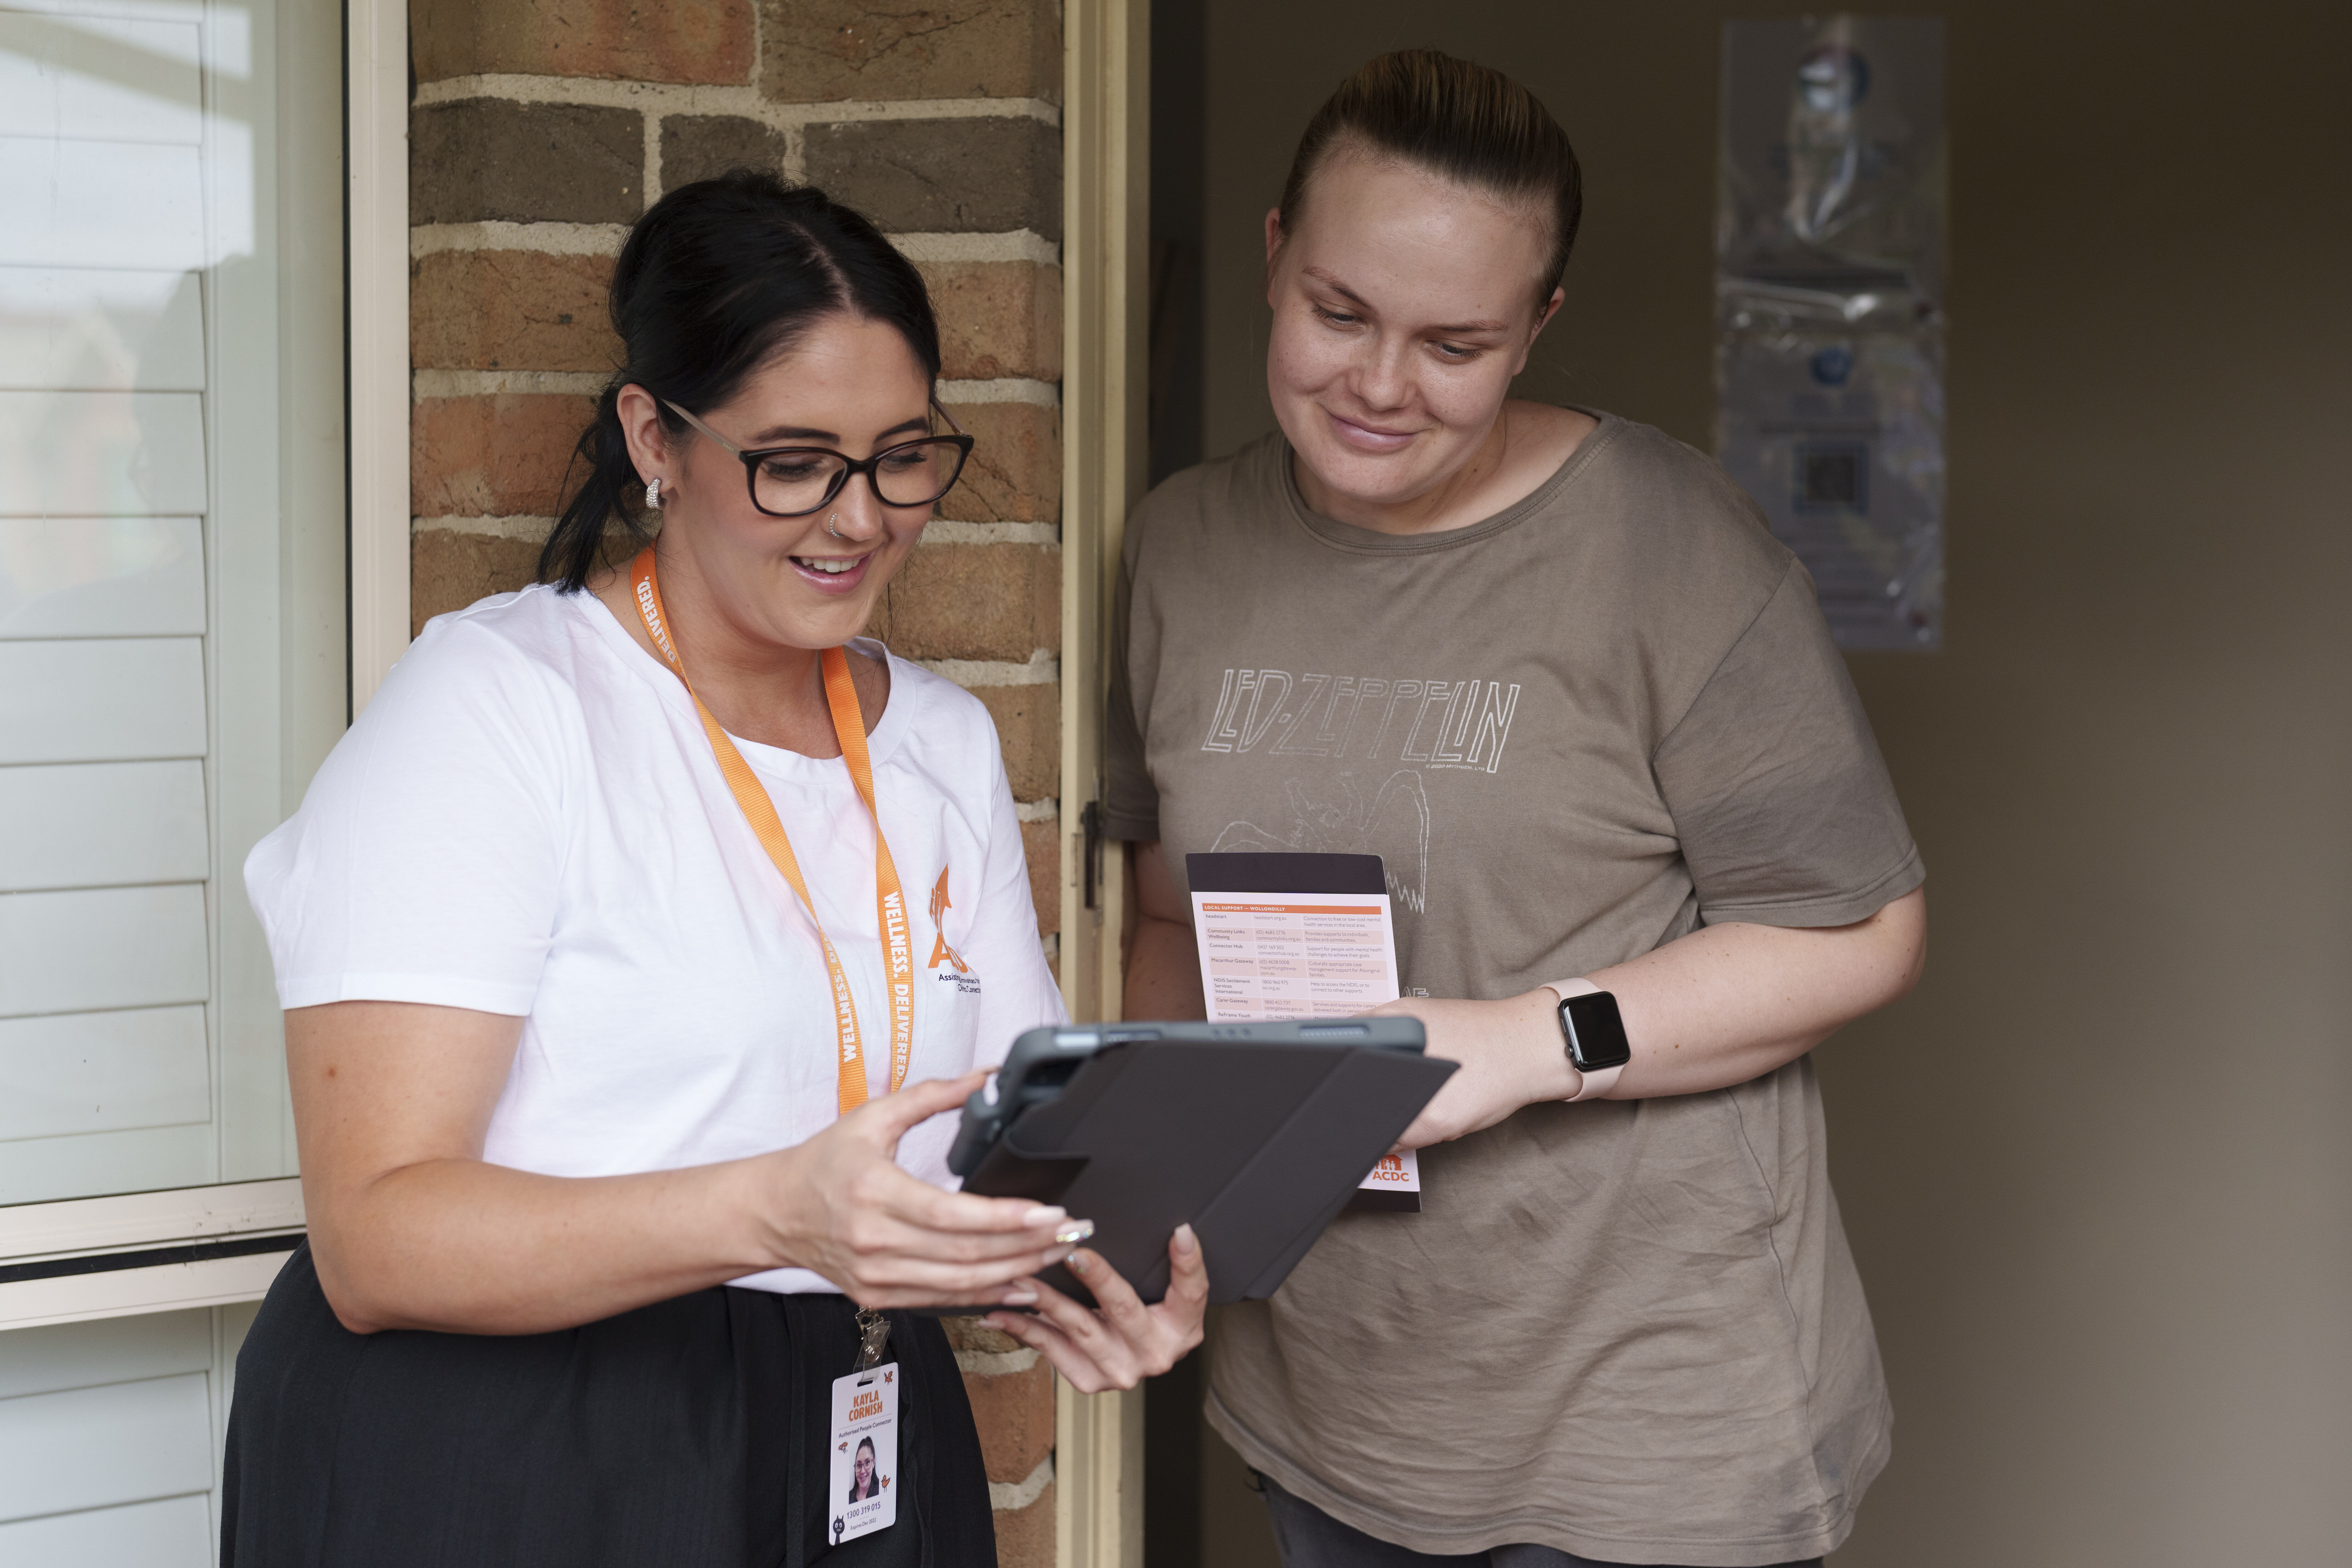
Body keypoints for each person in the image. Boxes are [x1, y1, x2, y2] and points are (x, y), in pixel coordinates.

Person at [225, 171, 1204, 1568]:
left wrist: (1076, 1273)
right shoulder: (501, 705)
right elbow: (375, 1240)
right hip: (517, 1440)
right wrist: (771, 1209)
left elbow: (982, 1140)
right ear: (655, 437)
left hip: (855, 1430)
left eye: (904, 457)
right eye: (793, 462)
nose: (860, 518)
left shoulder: (938, 739)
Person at [1102, 51, 1927, 1567]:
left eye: (1453, 342)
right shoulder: (1179, 545)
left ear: (1536, 326)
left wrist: (1528, 1039)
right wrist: (1158, 1194)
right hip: (1326, 1397)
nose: (1375, 383)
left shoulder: (1669, 549)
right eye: (1337, 311)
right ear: (1275, 250)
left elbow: (1859, 929)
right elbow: (1167, 911)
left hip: (1648, 1412)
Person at [851, 1437, 879, 1503]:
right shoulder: (849, 1497)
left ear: (874, 1463)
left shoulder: (881, 1491)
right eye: (859, 1465)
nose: (863, 1471)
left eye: (867, 1463)